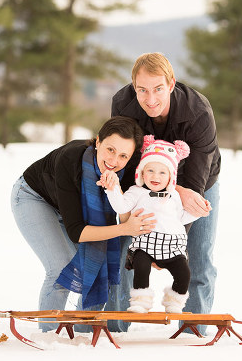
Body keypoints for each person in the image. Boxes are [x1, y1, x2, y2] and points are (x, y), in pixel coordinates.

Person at [11, 116, 150, 331]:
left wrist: (117, 192)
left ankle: (83, 334)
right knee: (60, 266)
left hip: (72, 210)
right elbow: (77, 231)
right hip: (35, 197)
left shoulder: (129, 171)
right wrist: (125, 229)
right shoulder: (71, 159)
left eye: (123, 155)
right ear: (97, 141)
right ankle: (49, 336)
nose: (114, 160)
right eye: (110, 150)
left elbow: (126, 215)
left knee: (98, 267)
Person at [111, 53, 220, 323]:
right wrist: (132, 224)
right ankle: (119, 322)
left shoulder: (198, 111)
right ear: (133, 86)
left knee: (198, 257)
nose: (150, 99)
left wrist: (169, 243)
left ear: (171, 84)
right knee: (127, 248)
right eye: (142, 90)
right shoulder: (123, 104)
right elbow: (128, 161)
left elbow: (196, 177)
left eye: (158, 89)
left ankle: (193, 328)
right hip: (142, 183)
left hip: (197, 182)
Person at [102, 136, 199, 314]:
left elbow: (179, 219)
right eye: (151, 171)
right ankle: (140, 302)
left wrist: (197, 212)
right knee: (141, 267)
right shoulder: (137, 192)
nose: (155, 176)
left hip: (171, 246)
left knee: (184, 273)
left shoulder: (174, 196)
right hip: (146, 244)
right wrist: (113, 188)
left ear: (171, 176)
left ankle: (174, 302)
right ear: (142, 173)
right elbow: (121, 206)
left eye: (162, 172)